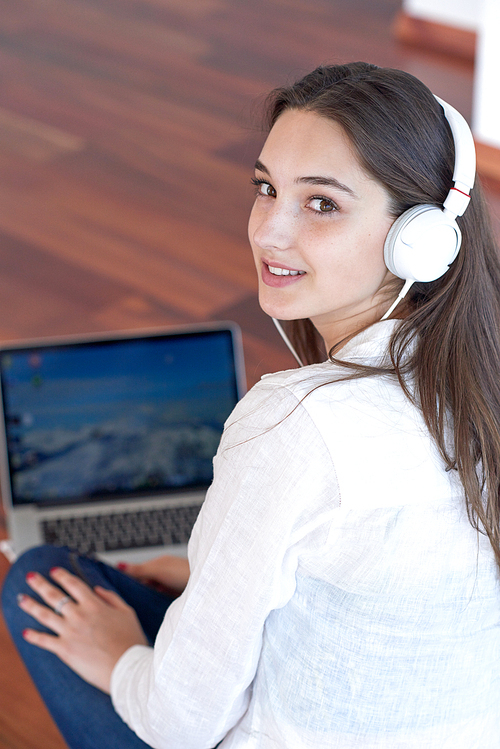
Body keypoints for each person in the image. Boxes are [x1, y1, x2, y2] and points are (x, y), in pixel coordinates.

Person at [2, 62, 500, 749]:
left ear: (419, 238)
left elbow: (178, 724)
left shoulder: (298, 425)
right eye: (266, 188)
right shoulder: (484, 383)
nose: (268, 231)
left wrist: (117, 656)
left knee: (36, 578)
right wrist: (211, 574)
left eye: (321, 203)